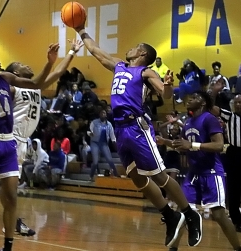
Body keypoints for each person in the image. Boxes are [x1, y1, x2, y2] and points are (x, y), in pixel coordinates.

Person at [73, 23, 202, 247]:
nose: (130, 48)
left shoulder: (146, 72)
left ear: (142, 53)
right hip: (121, 129)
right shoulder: (119, 66)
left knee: (160, 176)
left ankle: (190, 214)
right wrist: (80, 29)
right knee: (137, 177)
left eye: (135, 47)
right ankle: (170, 216)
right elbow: (95, 50)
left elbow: (165, 92)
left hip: (137, 127)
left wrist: (170, 86)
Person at [0, 40, 83, 251]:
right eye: (21, 65)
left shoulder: (26, 85)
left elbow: (53, 75)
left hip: (17, 144)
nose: (26, 66)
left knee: (10, 194)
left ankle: (7, 230)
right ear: (14, 72)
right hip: (5, 138)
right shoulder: (12, 88)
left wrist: (69, 53)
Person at [156, 91, 241, 251]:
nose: (189, 99)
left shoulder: (209, 118)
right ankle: (173, 248)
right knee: (184, 211)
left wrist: (193, 146)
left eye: (194, 98)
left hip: (211, 172)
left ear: (203, 103)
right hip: (193, 175)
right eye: (190, 97)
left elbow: (219, 145)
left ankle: (237, 247)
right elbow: (182, 144)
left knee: (218, 215)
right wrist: (164, 141)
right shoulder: (188, 122)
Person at [211, 94, 241, 233]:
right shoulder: (230, 116)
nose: (238, 105)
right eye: (236, 102)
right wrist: (214, 93)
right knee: (233, 187)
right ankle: (237, 221)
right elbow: (212, 108)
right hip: (234, 153)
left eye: (240, 102)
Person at [89, 109, 119, 181]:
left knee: (110, 160)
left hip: (104, 143)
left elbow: (112, 135)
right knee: (95, 162)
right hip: (95, 143)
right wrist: (90, 133)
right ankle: (91, 176)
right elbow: (89, 130)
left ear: (106, 115)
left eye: (104, 113)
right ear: (99, 115)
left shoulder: (109, 124)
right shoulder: (94, 122)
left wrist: (114, 142)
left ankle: (116, 174)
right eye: (101, 113)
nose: (103, 114)